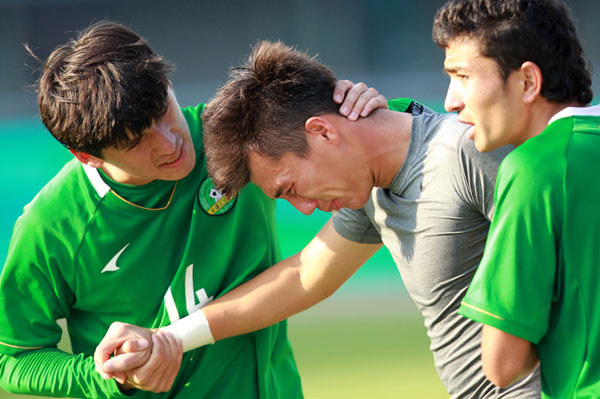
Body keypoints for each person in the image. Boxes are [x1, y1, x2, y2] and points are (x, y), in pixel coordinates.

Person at [96, 40, 542, 398]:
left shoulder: (467, 153)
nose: (304, 208)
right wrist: (170, 339)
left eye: (289, 187)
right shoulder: (372, 193)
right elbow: (305, 275)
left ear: (323, 131)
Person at [0, 21, 383, 398]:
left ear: (167, 83)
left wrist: (361, 110)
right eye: (137, 141)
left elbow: (398, 128)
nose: (169, 144)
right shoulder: (52, 225)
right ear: (87, 157)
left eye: (163, 111)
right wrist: (109, 377)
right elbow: (13, 358)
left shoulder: (237, 135)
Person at [432, 0, 599, 397]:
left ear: (527, 82)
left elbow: (502, 364)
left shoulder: (534, 169)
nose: (450, 101)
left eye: (462, 76)